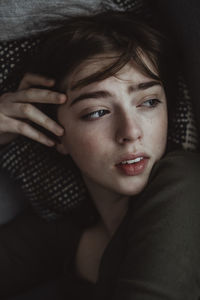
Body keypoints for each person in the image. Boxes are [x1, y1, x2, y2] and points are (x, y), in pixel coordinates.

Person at [0, 11, 200, 300]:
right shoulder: (61, 235)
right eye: (97, 112)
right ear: (55, 132)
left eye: (149, 102)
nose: (130, 132)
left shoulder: (184, 181)